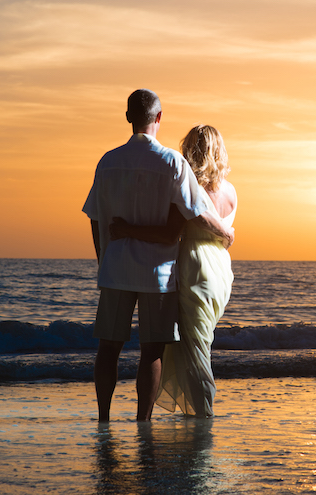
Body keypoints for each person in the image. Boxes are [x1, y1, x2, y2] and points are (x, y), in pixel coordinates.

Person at [82, 90, 234, 422]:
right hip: (159, 272)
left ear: (127, 117)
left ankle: (104, 419)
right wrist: (226, 233)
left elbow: (94, 216)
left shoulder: (107, 161)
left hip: (116, 268)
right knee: (151, 351)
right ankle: (142, 422)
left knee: (108, 347)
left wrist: (102, 258)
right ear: (159, 118)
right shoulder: (172, 163)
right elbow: (195, 212)